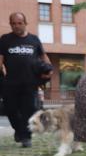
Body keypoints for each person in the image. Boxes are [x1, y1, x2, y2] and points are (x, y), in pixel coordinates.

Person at [0, 12, 52, 147]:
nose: (16, 26)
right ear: (10, 24)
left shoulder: (34, 40)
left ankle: (26, 137)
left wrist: (49, 69)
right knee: (10, 110)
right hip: (10, 83)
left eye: (19, 23)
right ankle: (18, 130)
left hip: (30, 83)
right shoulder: (5, 39)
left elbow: (43, 56)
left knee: (28, 110)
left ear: (25, 23)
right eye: (13, 23)